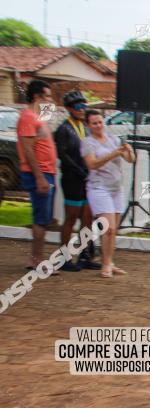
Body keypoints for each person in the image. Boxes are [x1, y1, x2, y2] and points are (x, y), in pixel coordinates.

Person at [80, 109, 134, 278]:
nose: (98, 126)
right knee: (108, 228)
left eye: (100, 122)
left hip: (116, 188)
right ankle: (105, 265)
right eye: (94, 123)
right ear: (88, 125)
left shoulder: (113, 139)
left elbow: (129, 159)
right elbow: (92, 164)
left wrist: (129, 151)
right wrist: (113, 154)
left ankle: (110, 262)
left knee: (114, 229)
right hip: (98, 187)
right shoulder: (88, 143)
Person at [54, 90, 100, 271]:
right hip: (72, 178)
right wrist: (80, 171)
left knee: (87, 218)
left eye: (84, 106)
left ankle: (85, 255)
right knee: (71, 218)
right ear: (69, 109)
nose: (82, 110)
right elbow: (63, 155)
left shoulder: (85, 127)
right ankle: (63, 258)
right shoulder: (64, 129)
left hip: (87, 178)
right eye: (78, 107)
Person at [17, 80, 58, 272]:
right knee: (41, 218)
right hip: (39, 174)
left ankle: (35, 258)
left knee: (43, 218)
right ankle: (37, 260)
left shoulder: (38, 117)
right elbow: (28, 149)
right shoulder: (27, 117)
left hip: (46, 172)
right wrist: (40, 177)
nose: (50, 100)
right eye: (47, 96)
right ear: (37, 97)